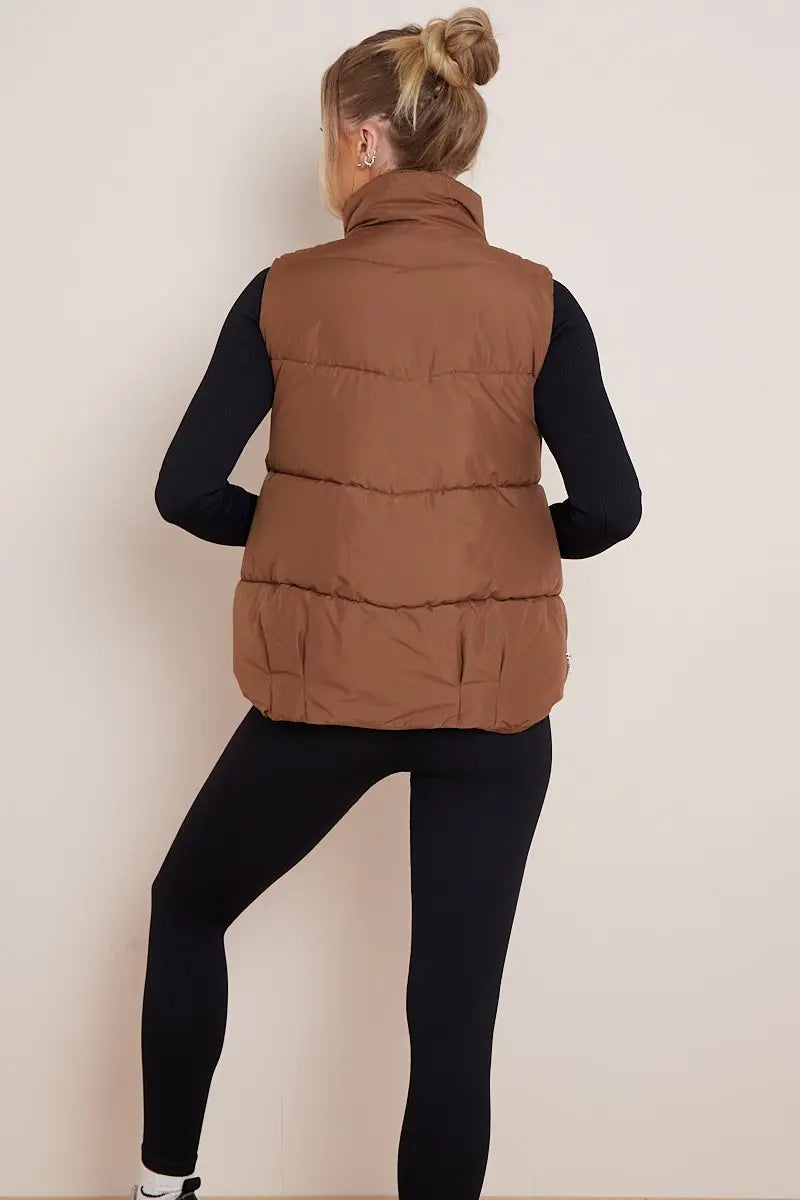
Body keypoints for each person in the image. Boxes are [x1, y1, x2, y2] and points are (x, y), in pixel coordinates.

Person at [131, 8, 642, 1200]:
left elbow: (183, 489)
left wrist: (321, 536)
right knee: (452, 1016)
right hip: (492, 706)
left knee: (186, 907)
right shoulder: (539, 301)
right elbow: (609, 507)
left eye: (330, 135)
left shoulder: (284, 292)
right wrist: (491, 550)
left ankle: (163, 1191)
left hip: (325, 693)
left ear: (364, 141)